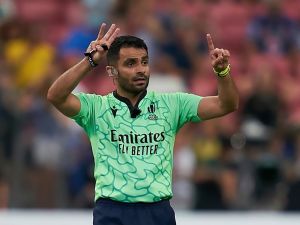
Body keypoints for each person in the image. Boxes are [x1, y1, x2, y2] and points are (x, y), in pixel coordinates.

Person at [47, 23, 239, 225]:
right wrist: (90, 62)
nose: (140, 70)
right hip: (112, 212)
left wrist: (223, 72)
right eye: (130, 64)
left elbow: (226, 104)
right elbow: (56, 96)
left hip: (157, 212)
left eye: (144, 62)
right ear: (112, 72)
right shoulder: (96, 108)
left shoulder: (172, 104)